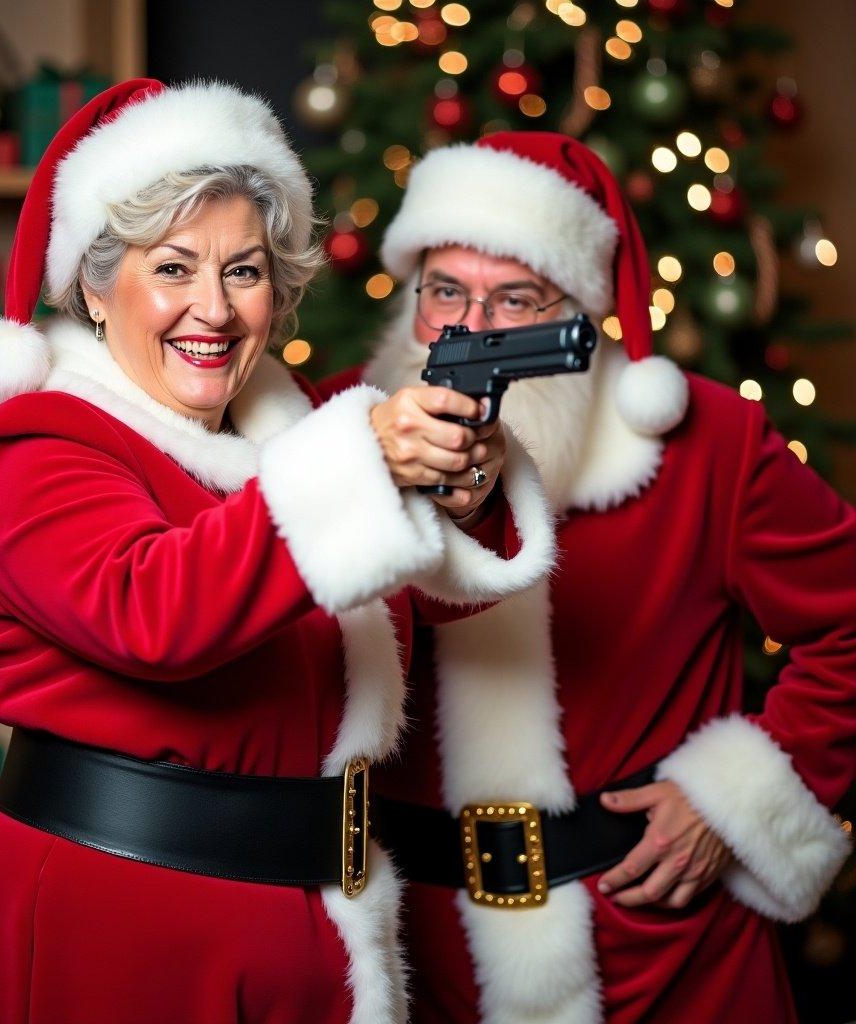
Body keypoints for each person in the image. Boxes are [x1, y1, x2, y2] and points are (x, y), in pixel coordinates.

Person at [0, 83, 557, 1024]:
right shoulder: (41, 444)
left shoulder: (292, 439)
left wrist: (464, 481)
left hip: (313, 934)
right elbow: (152, 614)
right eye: (172, 268)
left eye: (245, 271)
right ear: (96, 287)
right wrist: (366, 461)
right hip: (107, 939)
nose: (211, 310)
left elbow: (410, 599)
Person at [319, 131, 856, 1024]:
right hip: (416, 950)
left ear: (578, 309)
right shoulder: (339, 429)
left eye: (514, 298)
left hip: (661, 951)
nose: (469, 328)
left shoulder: (706, 445)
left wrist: (740, 796)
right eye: (445, 290)